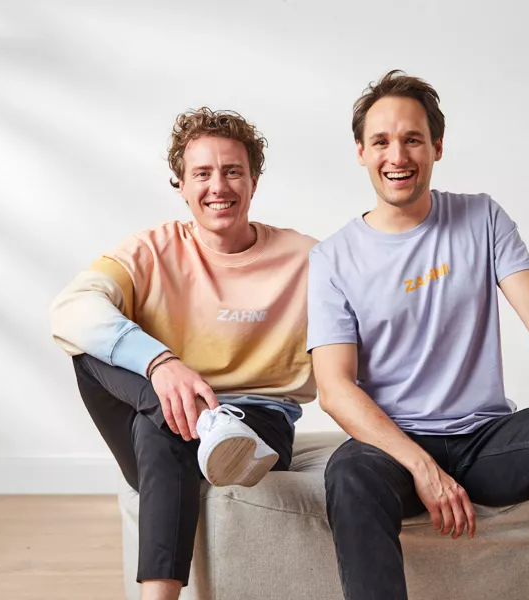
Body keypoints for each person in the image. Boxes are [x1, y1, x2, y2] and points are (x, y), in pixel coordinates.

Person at [307, 70, 529, 600]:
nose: (397, 156)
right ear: (361, 152)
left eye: (412, 139)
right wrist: (421, 466)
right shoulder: (333, 258)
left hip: (483, 440)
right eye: (381, 142)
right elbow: (335, 389)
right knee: (349, 473)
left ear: (437, 146)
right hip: (395, 447)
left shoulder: (482, 217)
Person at [50, 108, 316, 600]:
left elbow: (375, 313)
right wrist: (161, 363)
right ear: (181, 184)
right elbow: (70, 309)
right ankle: (194, 415)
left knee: (161, 427)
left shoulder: (304, 257)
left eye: (232, 171)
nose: (219, 186)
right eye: (203, 173)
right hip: (163, 400)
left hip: (256, 423)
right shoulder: (151, 250)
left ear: (253, 182)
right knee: (93, 350)